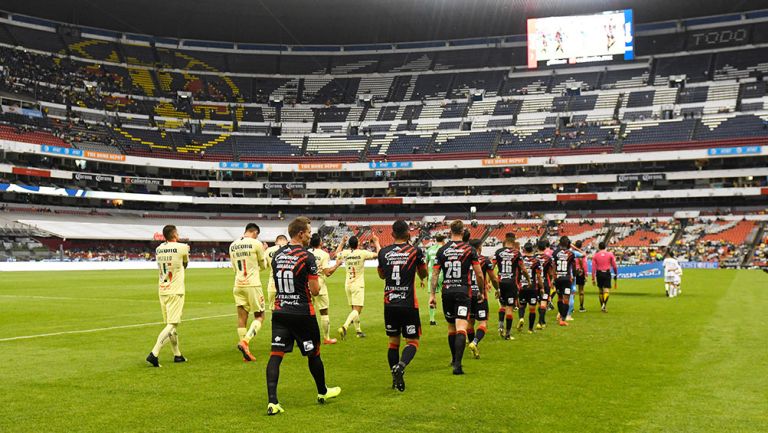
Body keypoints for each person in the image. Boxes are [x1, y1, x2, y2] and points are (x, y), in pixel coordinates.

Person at [266, 217, 341, 416]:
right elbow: (315, 290)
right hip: (301, 313)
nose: (310, 235)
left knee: (276, 355)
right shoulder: (307, 257)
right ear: (300, 233)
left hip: (280, 311)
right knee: (313, 353)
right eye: (308, 232)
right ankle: (322, 392)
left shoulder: (277, 255)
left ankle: (272, 402)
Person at [377, 220, 427, 392]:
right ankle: (401, 365)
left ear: (392, 234)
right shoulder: (415, 251)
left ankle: (394, 378)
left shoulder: (383, 252)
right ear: (408, 233)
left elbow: (382, 275)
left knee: (393, 342)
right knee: (412, 341)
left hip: (389, 303)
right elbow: (423, 273)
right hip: (408, 303)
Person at [431, 220, 486, 375]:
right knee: (461, 327)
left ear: (450, 231)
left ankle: (453, 358)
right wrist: (481, 291)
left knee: (451, 328)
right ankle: (458, 365)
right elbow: (479, 274)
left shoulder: (442, 250)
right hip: (463, 292)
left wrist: (432, 295)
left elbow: (435, 274)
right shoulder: (469, 249)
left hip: (447, 292)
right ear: (462, 232)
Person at [146, 225, 189, 367]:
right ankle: (154, 353)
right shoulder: (183, 247)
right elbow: (185, 263)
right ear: (175, 234)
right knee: (172, 324)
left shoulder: (158, 249)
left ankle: (177, 355)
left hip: (162, 289)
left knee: (171, 325)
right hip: (175, 290)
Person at [229, 223, 268, 362]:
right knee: (260, 315)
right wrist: (263, 251)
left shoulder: (232, 245)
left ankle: (246, 352)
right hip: (252, 284)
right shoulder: (256, 243)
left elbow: (234, 268)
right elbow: (263, 266)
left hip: (238, 284)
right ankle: (245, 342)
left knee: (241, 318)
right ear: (255, 232)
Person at [336, 234, 381, 339]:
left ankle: (358, 331)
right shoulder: (362, 253)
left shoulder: (346, 253)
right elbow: (379, 254)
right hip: (358, 285)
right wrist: (376, 242)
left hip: (348, 284)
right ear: (358, 244)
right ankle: (345, 326)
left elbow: (336, 253)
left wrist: (342, 242)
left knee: (353, 309)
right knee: (358, 309)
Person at [308, 233, 344, 345]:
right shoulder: (324, 254)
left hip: (307, 284)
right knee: (324, 312)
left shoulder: (307, 252)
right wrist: (337, 265)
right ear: (320, 243)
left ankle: (306, 337)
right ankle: (326, 338)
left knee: (308, 311)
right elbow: (327, 272)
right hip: (319, 284)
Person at [494, 232, 531, 339]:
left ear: (505, 240)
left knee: (502, 305)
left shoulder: (498, 252)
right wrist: (528, 280)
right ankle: (508, 334)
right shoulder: (516, 253)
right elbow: (523, 269)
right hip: (511, 283)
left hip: (501, 282)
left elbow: (491, 267)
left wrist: (493, 283)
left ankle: (500, 325)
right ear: (514, 241)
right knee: (509, 308)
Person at [467, 239, 498, 359]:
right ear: (479, 247)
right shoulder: (485, 260)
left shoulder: (464, 259)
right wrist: (497, 290)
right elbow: (494, 278)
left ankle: (472, 346)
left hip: (468, 295)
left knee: (470, 322)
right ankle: (474, 342)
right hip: (480, 295)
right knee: (483, 322)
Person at [517, 242, 543, 334]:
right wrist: (542, 288)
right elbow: (539, 276)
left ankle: (521, 318)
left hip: (522, 287)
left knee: (522, 306)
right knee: (532, 309)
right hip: (532, 287)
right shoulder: (536, 261)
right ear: (532, 250)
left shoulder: (520, 260)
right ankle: (530, 329)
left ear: (524, 249)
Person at [552, 236, 577, 327]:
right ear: (568, 244)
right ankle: (562, 319)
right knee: (566, 299)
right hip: (566, 278)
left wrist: (554, 276)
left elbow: (553, 265)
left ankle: (560, 316)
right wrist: (574, 276)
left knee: (559, 298)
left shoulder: (555, 253)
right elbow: (573, 267)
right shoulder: (571, 254)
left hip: (558, 278)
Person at [424, 234, 446, 325]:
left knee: (432, 297)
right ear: (443, 240)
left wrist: (426, 276)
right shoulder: (444, 249)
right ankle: (448, 316)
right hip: (443, 274)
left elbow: (426, 264)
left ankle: (432, 319)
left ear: (435, 240)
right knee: (445, 295)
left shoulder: (429, 249)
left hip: (432, 275)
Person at [591, 241, 618, 312]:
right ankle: (604, 305)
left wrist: (593, 278)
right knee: (606, 290)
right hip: (607, 273)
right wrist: (616, 273)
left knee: (600, 290)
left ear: (599, 247)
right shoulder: (610, 254)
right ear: (605, 247)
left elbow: (593, 268)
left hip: (599, 273)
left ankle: (603, 306)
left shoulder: (595, 255)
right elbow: (614, 266)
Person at [536, 240, 556, 329]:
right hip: (544, 282)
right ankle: (540, 322)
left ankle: (542, 320)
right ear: (545, 248)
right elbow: (551, 272)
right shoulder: (548, 258)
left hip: (535, 283)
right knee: (544, 302)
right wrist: (552, 280)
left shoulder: (533, 257)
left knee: (539, 303)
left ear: (537, 247)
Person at [265, 235, 288, 311]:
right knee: (287, 310)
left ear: (275, 242)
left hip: (273, 284)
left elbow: (263, 266)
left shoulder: (268, 250)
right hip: (287, 285)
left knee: (273, 309)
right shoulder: (290, 250)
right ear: (287, 241)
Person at [573, 240, 588, 313]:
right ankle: (581, 307)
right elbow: (583, 264)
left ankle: (571, 307)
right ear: (581, 246)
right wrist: (585, 274)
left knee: (572, 291)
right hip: (580, 272)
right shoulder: (581, 254)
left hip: (573, 272)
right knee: (581, 290)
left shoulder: (571, 253)